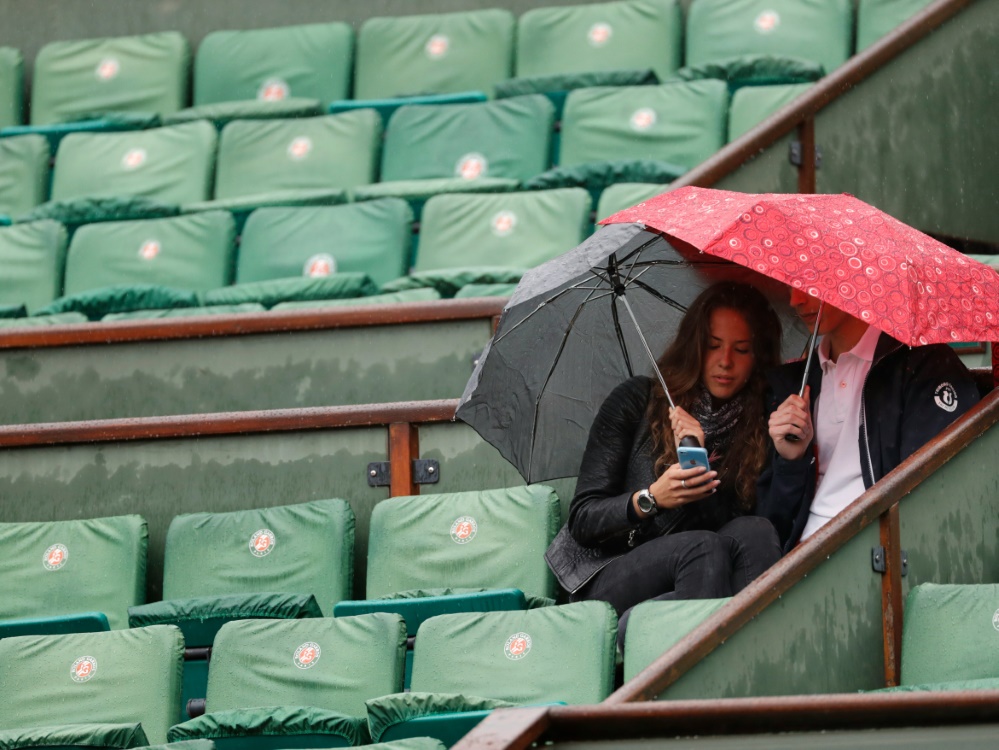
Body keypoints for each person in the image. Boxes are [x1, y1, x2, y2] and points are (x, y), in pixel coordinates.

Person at [545, 282, 784, 631]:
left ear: (757, 359)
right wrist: (651, 498)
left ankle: (753, 649)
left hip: (699, 573)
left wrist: (697, 457)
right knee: (702, 547)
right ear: (694, 347)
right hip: (610, 569)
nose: (725, 361)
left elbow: (730, 527)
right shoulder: (637, 400)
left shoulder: (757, 425)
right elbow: (584, 519)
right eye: (713, 346)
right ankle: (686, 657)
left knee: (756, 530)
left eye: (741, 350)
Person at [757, 289, 981, 551]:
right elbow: (772, 525)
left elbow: (936, 496)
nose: (796, 300)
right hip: (796, 559)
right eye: (791, 285)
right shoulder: (794, 383)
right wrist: (790, 461)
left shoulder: (924, 367)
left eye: (810, 287)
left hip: (879, 553)